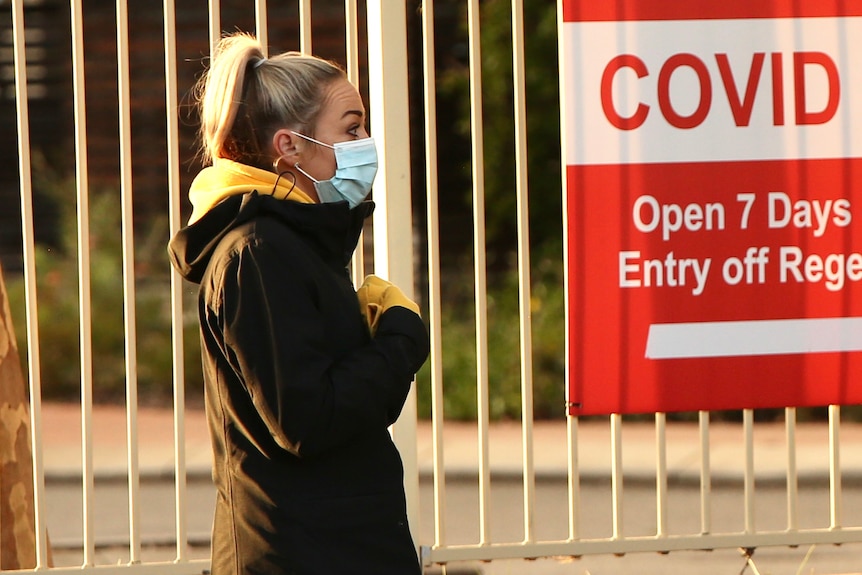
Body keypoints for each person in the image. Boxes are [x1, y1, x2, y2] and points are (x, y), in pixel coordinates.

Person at [167, 32, 429, 575]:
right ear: (290, 147)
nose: (366, 142)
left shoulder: (294, 244)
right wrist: (400, 338)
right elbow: (308, 420)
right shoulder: (258, 255)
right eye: (351, 128)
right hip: (300, 554)